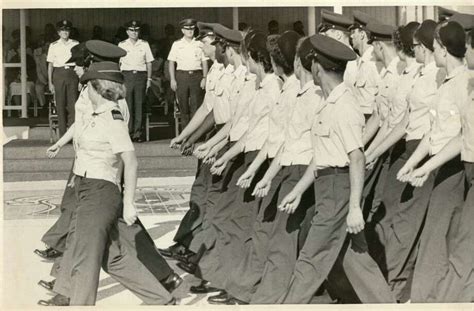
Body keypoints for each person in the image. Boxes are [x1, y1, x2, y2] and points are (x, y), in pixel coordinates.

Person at [35, 41, 182, 300]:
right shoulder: (95, 105)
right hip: (86, 179)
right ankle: (161, 294)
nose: (79, 72)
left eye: (84, 68)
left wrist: (127, 201)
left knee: (90, 249)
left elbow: (129, 158)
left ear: (97, 81)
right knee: (110, 254)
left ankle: (71, 296)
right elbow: (81, 131)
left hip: (103, 184)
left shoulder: (111, 111)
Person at [278, 33, 395, 304]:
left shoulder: (344, 105)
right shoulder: (328, 103)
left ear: (317, 66)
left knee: (309, 261)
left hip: (339, 190)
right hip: (329, 186)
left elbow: (356, 157)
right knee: (355, 259)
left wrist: (355, 207)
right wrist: (298, 190)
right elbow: (322, 158)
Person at [210, 31, 311, 305]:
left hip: (286, 166)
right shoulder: (285, 88)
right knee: (265, 230)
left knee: (270, 233)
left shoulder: (289, 92)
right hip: (277, 165)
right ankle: (247, 288)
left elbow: (278, 140)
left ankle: (252, 291)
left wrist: (259, 172)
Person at [399, 19, 470, 303]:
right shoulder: (446, 81)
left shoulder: (464, 83)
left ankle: (431, 301)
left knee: (440, 240)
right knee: (437, 238)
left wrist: (426, 167)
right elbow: (433, 132)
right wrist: (411, 164)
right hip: (439, 168)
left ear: (442, 49)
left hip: (453, 168)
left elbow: (460, 138)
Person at [159, 22, 226, 261]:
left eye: (207, 44)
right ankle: (187, 244)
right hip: (214, 135)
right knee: (200, 191)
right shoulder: (218, 71)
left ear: (220, 45)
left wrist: (197, 139)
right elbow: (207, 109)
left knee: (210, 195)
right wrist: (186, 136)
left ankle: (197, 249)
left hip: (223, 139)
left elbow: (221, 116)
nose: (203, 49)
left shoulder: (227, 72)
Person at [168, 18, 209, 129]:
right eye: (187, 29)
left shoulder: (199, 44)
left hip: (196, 76)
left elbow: (204, 62)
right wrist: (172, 79)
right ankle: (185, 133)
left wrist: (204, 77)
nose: (190, 31)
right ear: (182, 30)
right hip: (182, 76)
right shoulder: (177, 44)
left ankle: (195, 132)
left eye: (192, 28)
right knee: (183, 106)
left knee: (196, 106)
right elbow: (171, 62)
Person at [118, 20, 154, 142]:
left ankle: (138, 133)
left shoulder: (144, 44)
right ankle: (128, 132)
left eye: (136, 30)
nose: (134, 33)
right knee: (127, 105)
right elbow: (118, 64)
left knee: (139, 105)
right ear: (127, 31)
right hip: (126, 76)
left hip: (140, 76)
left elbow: (149, 63)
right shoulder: (122, 45)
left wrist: (149, 79)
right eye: (132, 30)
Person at [46, 19, 79, 137]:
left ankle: (72, 134)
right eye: (62, 30)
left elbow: (79, 63)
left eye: (67, 30)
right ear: (58, 32)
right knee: (60, 105)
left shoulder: (75, 44)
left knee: (73, 105)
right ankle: (63, 135)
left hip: (72, 74)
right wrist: (50, 83)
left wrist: (80, 80)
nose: (65, 32)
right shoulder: (53, 45)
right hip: (59, 74)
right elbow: (50, 65)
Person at [349, 10, 382, 119]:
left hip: (371, 120)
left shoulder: (373, 61)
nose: (351, 36)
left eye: (354, 32)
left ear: (362, 35)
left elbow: (381, 100)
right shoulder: (363, 61)